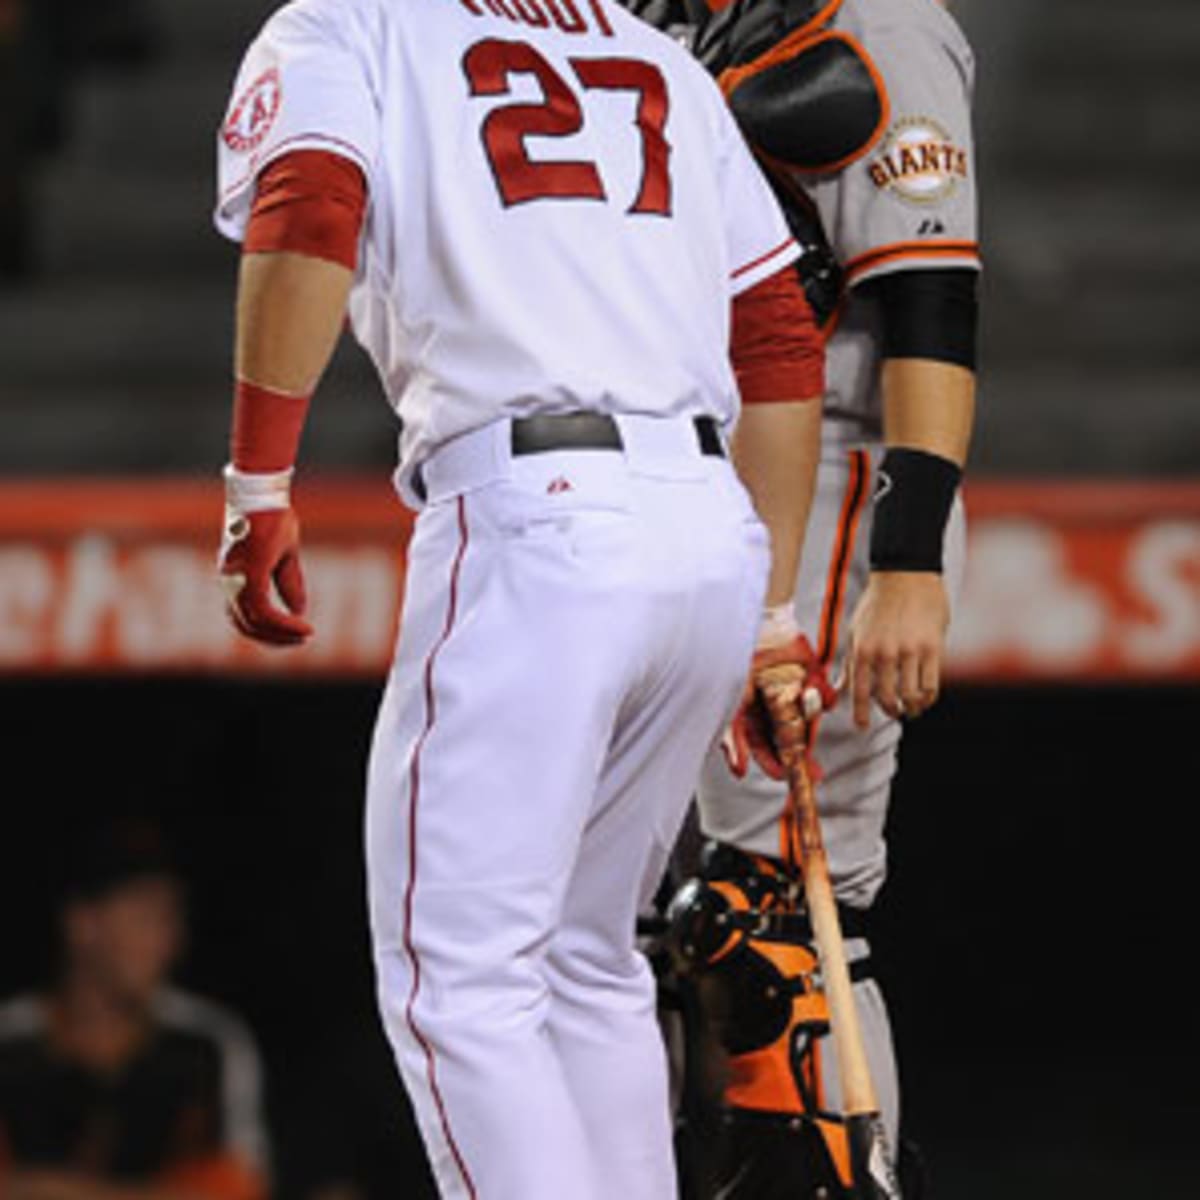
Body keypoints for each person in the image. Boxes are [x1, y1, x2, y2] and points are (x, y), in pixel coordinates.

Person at [211, 1, 835, 1196]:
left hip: (537, 516)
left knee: (462, 982)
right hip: (706, 528)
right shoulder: (653, 55)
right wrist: (770, 612)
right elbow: (775, 337)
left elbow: (310, 208)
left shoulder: (348, 26)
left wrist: (258, 479)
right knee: (586, 961)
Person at [623, 0, 981, 1195]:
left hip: (838, 469)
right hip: (699, 460)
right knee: (680, 919)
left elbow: (930, 295)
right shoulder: (678, 23)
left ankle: (837, 1180)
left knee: (778, 905)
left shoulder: (878, 22)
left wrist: (911, 560)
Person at [0, 823, 271, 1200]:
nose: (169, 942)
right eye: (147, 916)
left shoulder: (206, 1044)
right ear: (82, 924)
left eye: (173, 918)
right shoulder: (12, 1043)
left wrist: (50, 1189)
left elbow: (238, 1190)